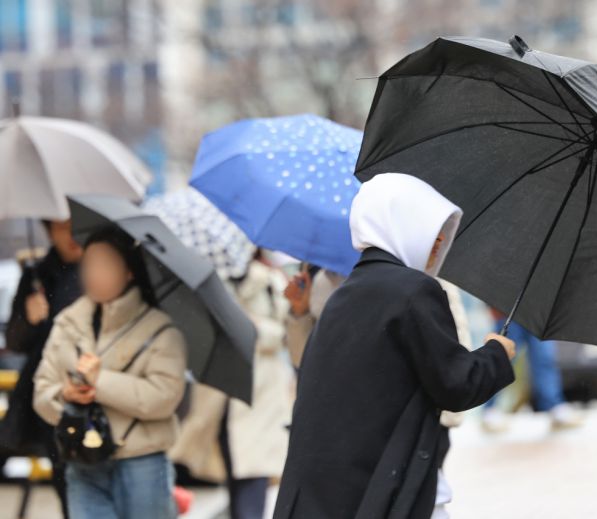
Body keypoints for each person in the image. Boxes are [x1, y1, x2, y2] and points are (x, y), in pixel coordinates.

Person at [273, 173, 516, 519]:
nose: (438, 246)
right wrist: (497, 353)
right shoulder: (412, 291)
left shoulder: (345, 295)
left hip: (333, 493)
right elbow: (455, 384)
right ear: (405, 227)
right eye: (432, 233)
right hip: (386, 490)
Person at [33, 226, 187, 519]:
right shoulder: (68, 323)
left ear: (129, 271)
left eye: (105, 264)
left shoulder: (160, 328)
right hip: (81, 457)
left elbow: (164, 398)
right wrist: (64, 395)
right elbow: (41, 391)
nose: (92, 273)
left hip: (142, 462)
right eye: (88, 264)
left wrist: (99, 382)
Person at [170, 251, 294, 519]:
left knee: (253, 469)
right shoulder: (211, 282)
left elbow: (284, 333)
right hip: (220, 391)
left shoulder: (271, 283)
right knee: (232, 469)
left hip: (260, 391)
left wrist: (250, 327)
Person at [0, 219, 83, 517]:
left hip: (84, 389)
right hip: (44, 392)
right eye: (62, 228)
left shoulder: (95, 271)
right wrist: (30, 318)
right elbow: (16, 340)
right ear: (50, 231)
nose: (71, 235)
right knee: (63, 475)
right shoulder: (37, 274)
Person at [482, 311, 583, 433]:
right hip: (509, 311)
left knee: (544, 359)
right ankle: (489, 409)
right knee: (502, 358)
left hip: (538, 313)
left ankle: (554, 406)